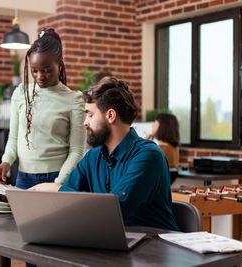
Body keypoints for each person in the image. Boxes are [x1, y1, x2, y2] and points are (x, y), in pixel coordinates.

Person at [31, 78, 179, 231]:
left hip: (157, 247)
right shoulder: (92, 157)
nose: (85, 122)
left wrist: (57, 189)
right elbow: (68, 202)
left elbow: (115, 209)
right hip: (114, 240)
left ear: (110, 115)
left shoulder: (149, 156)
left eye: (90, 115)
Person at [0, 28, 86, 190]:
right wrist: (6, 161)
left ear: (60, 65)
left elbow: (77, 150)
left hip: (57, 177)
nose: (39, 76)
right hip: (23, 177)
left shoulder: (74, 100)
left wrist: (58, 182)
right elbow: (14, 138)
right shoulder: (21, 93)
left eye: (47, 70)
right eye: (34, 71)